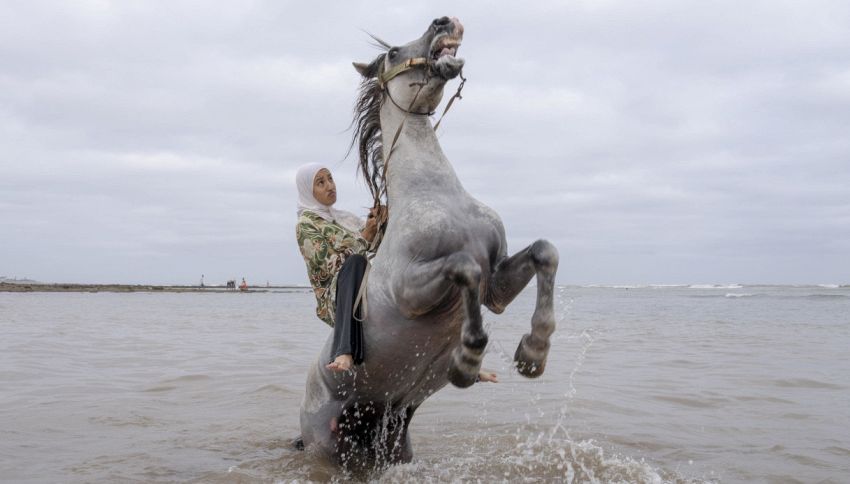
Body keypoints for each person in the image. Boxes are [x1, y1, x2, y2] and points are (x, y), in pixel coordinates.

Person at [294, 163, 498, 382]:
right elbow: (328, 266)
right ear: (308, 191)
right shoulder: (306, 224)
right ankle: (344, 350)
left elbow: (376, 249)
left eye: (330, 179)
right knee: (354, 262)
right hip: (336, 293)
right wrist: (365, 236)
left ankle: (463, 364)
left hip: (365, 277)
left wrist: (382, 224)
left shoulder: (344, 218)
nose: (329, 186)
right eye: (320, 183)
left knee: (415, 286)